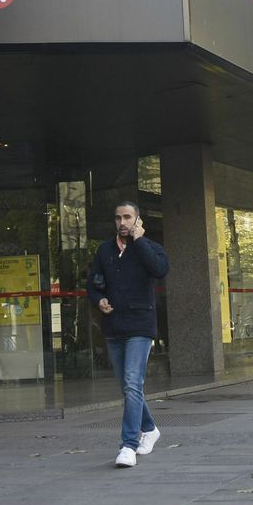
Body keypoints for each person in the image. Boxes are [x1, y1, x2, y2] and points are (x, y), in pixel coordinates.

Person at [89, 200, 171, 469]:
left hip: (140, 326)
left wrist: (140, 240)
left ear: (137, 220)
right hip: (113, 327)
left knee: (133, 382)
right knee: (127, 386)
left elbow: (160, 270)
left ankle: (128, 445)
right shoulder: (104, 250)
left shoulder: (148, 247)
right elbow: (93, 284)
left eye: (127, 217)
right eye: (118, 218)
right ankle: (150, 428)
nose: (122, 222)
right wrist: (99, 300)